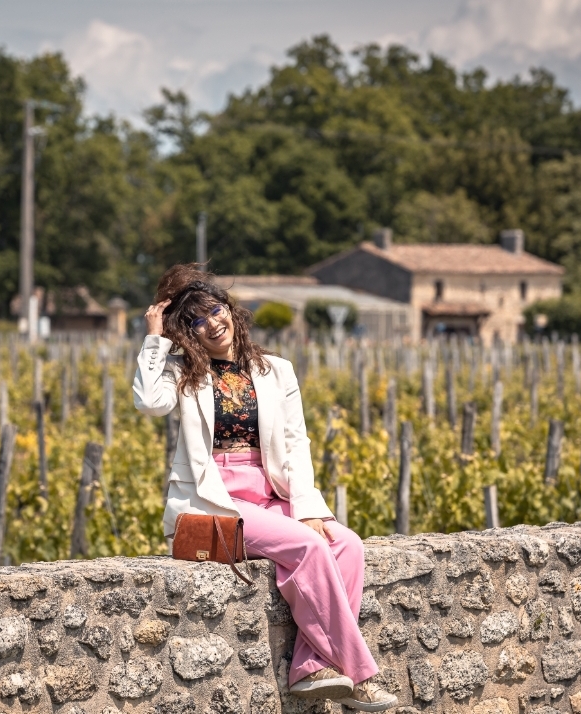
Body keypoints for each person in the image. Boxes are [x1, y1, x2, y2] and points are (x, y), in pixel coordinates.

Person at [133, 265, 397, 712]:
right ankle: (361, 676)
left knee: (347, 545)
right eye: (196, 321)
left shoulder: (277, 370)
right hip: (213, 502)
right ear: (187, 333)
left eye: (215, 311)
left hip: (271, 492)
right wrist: (155, 337)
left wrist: (308, 508)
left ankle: (310, 667)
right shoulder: (184, 371)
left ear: (230, 310)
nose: (211, 324)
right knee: (307, 547)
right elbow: (148, 402)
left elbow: (296, 443)